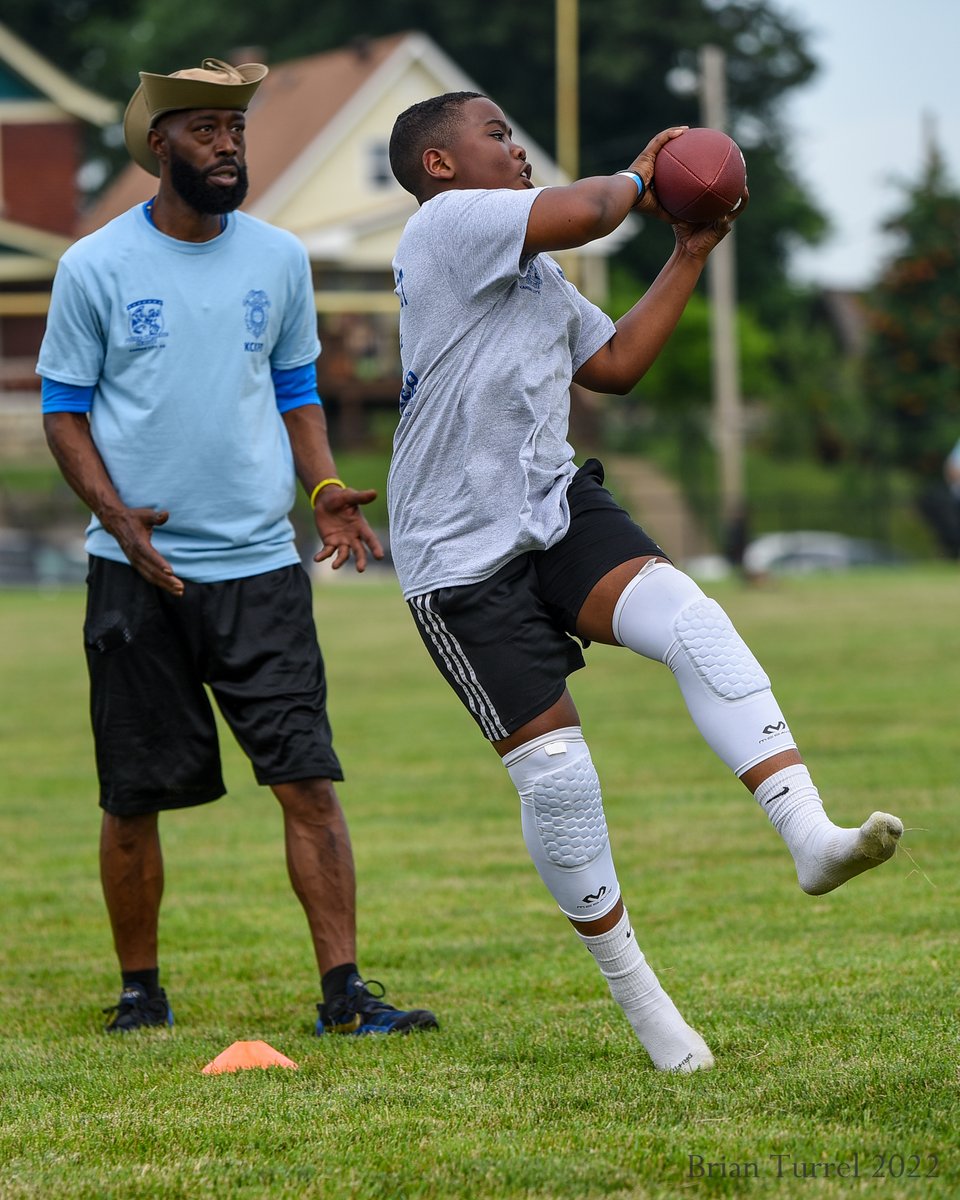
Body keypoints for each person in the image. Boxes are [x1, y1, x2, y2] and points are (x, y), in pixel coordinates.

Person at [385, 92, 902, 1073]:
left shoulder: (533, 276)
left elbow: (614, 362)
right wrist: (644, 171)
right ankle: (644, 1001)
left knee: (691, 620)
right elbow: (589, 211)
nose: (515, 144)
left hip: (552, 508)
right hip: (459, 557)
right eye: (495, 133)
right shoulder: (446, 226)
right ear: (440, 166)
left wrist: (690, 254)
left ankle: (810, 836)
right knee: (561, 779)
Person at [36, 58, 437, 1038]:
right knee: (133, 797)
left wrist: (327, 489)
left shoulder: (277, 259)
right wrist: (119, 518)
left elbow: (296, 390)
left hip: (260, 569)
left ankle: (344, 994)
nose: (229, 144)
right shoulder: (93, 266)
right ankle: (142, 993)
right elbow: (62, 412)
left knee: (308, 779)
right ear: (158, 145)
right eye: (207, 129)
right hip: (135, 576)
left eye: (238, 129)